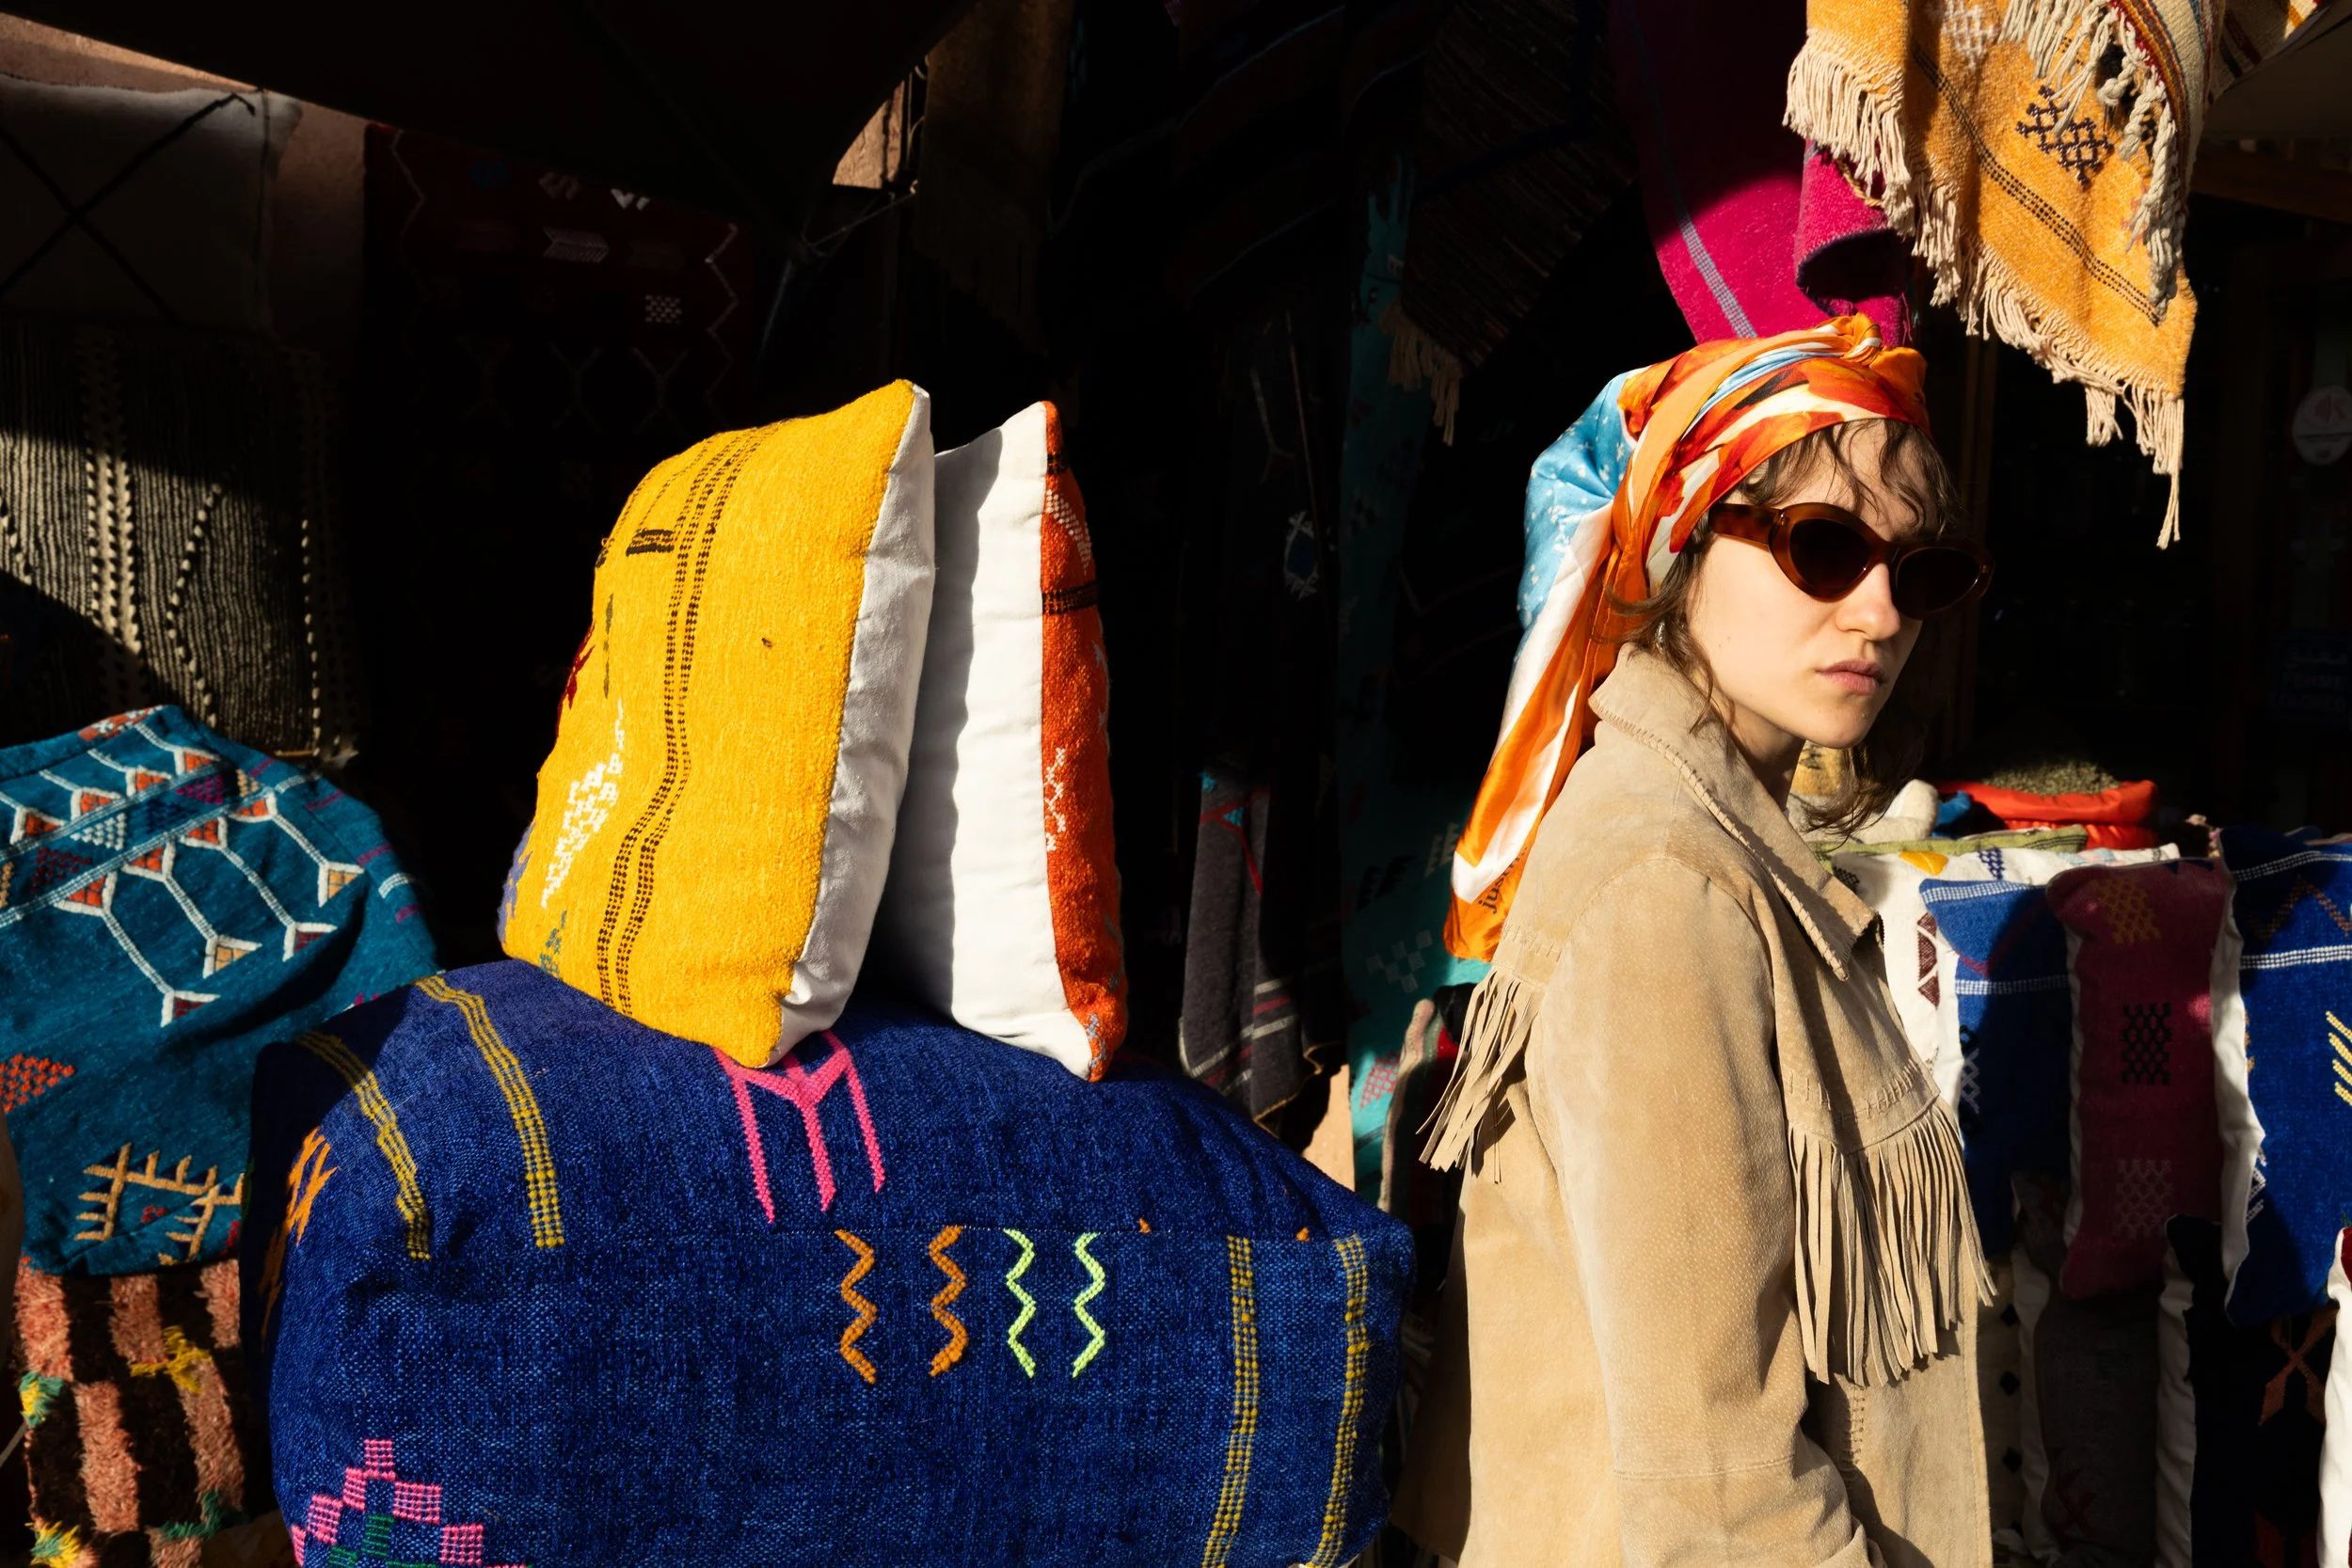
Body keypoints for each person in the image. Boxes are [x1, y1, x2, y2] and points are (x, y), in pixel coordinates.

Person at [1393, 317, 1997, 1568]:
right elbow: (1722, 1495)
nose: (1880, 609)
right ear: (1685, 536)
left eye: (1921, 569)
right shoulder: (1668, 884)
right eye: (1824, 547)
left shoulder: (1716, 839)